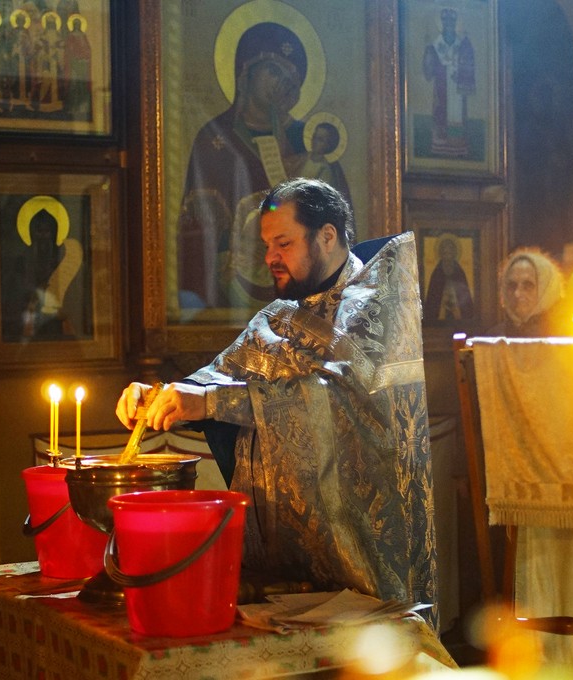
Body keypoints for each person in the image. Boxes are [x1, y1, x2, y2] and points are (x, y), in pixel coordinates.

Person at [116, 178, 438, 627]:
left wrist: (209, 402)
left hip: (362, 561)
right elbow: (218, 380)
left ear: (327, 235)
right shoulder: (278, 316)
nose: (269, 257)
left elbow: (332, 398)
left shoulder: (377, 305)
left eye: (283, 243)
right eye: (267, 245)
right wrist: (162, 395)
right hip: (278, 559)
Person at [177, 22, 350, 312]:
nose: (280, 84)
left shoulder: (312, 140)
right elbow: (195, 231)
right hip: (232, 292)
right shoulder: (215, 138)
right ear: (247, 71)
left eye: (288, 78)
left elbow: (339, 223)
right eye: (273, 71)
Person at [422, 7, 475, 157]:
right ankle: (440, 145)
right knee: (441, 111)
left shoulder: (462, 44)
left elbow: (468, 64)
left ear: (455, 24)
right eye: (446, 22)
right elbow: (429, 69)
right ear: (442, 24)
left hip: (457, 87)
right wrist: (428, 54)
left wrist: (462, 72)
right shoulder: (435, 45)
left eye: (452, 22)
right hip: (442, 86)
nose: (449, 25)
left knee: (458, 114)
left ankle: (458, 146)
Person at [486, 248, 566, 337]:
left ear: (547, 289)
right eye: (512, 286)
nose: (517, 293)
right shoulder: (494, 338)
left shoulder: (567, 338)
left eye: (528, 286)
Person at [423, 233, 475, 320]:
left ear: (454, 253)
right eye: (445, 252)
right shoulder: (437, 273)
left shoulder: (459, 272)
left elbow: (465, 301)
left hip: (459, 319)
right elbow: (432, 299)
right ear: (441, 253)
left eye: (450, 252)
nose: (447, 255)